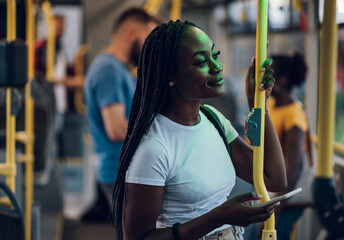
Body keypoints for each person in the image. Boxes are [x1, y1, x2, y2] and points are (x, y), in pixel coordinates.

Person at [112, 20, 287, 240]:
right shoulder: (154, 147)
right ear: (170, 76)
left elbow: (274, 179)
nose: (217, 67)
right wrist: (220, 216)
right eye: (202, 62)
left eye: (216, 55)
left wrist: (258, 105)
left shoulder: (214, 120)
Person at [84, 8, 160, 207]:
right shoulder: (109, 70)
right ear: (131, 34)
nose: (152, 47)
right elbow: (117, 129)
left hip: (125, 169)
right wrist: (163, 130)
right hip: (121, 171)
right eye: (149, 38)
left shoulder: (117, 68)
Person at [266, 52, 312, 240]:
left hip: (285, 197)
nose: (264, 77)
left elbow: (295, 166)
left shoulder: (293, 115)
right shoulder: (271, 105)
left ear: (282, 81)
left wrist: (276, 207)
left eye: (270, 74)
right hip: (272, 190)